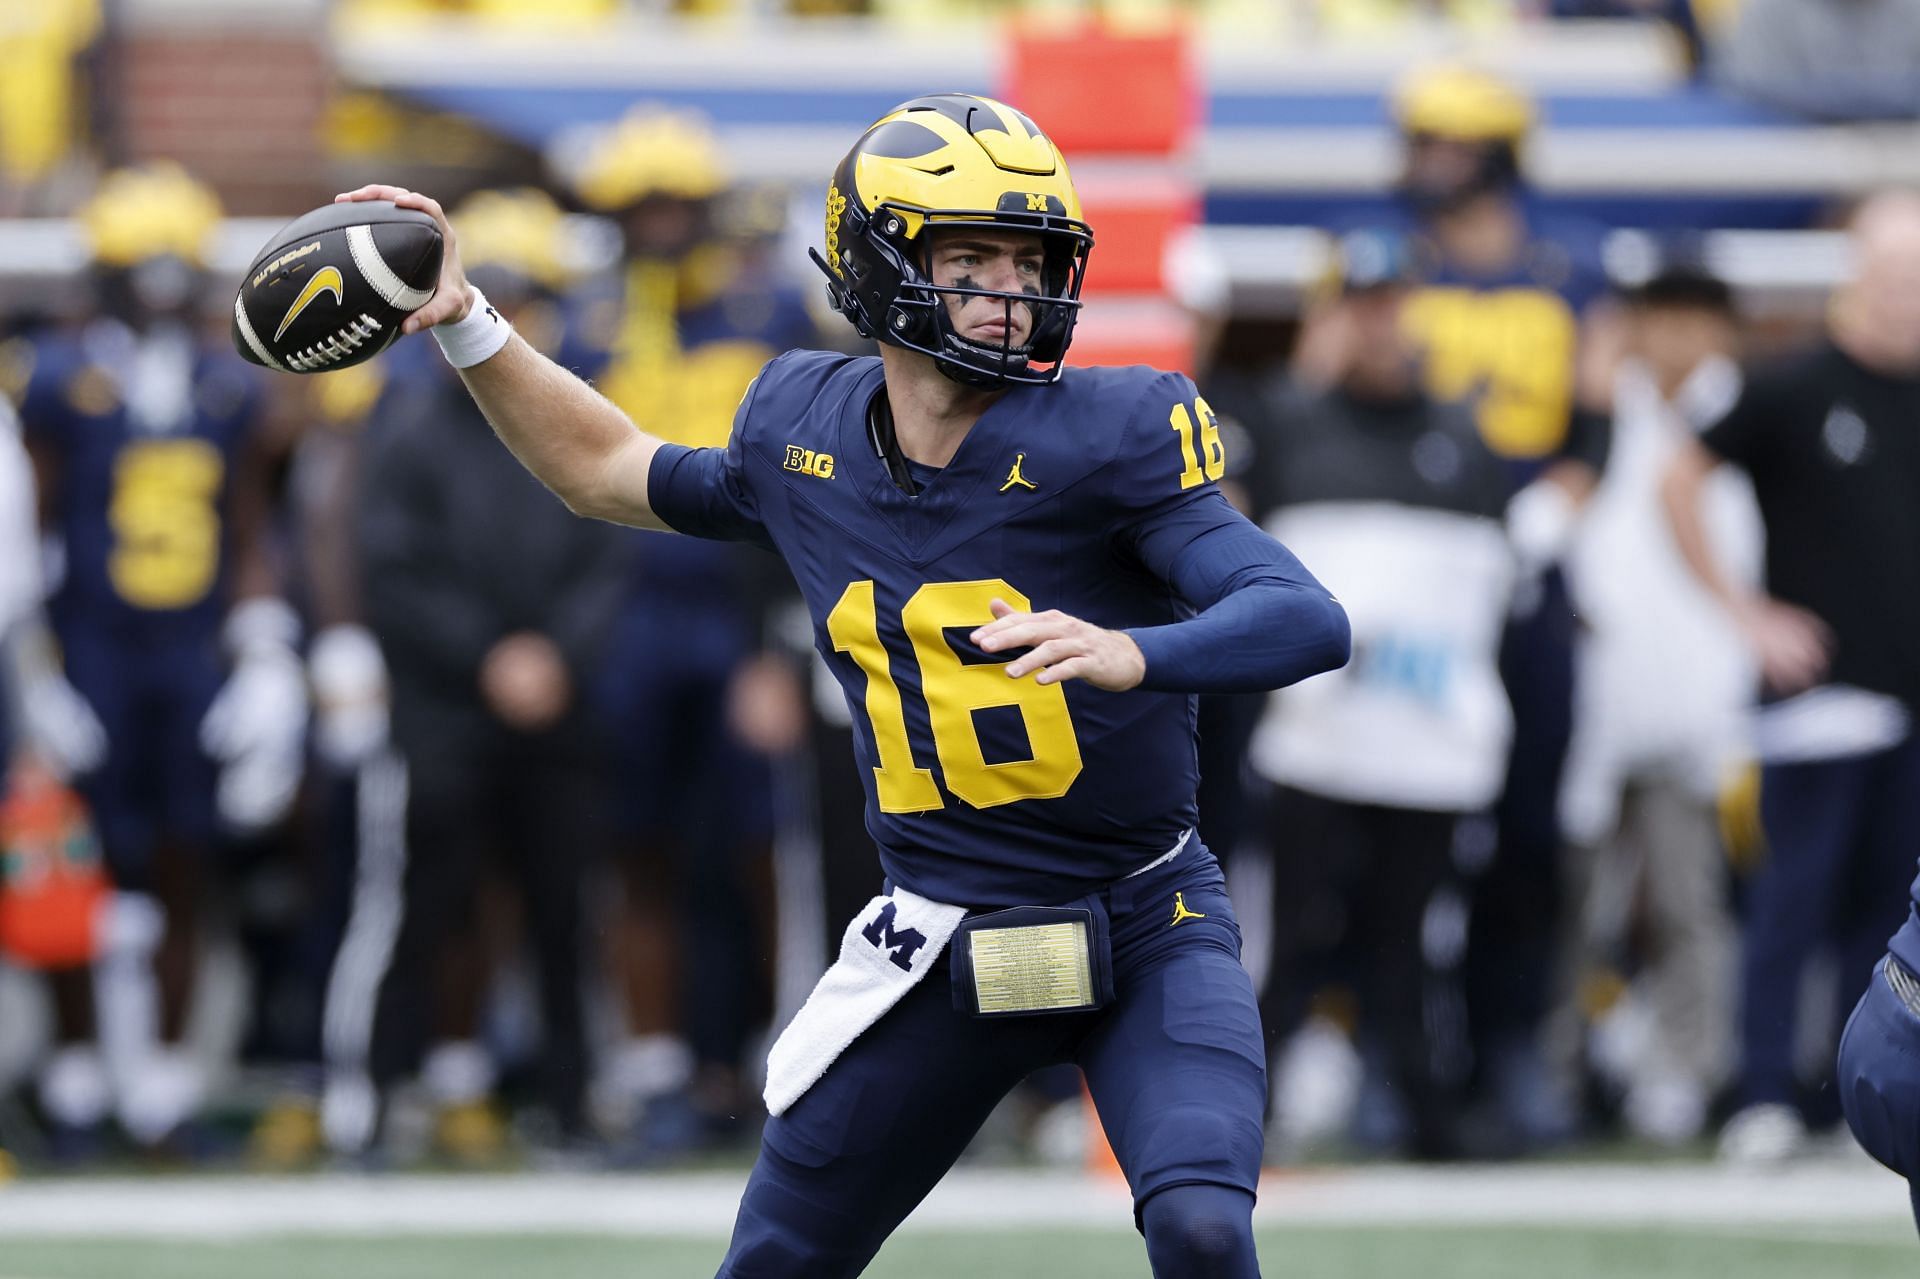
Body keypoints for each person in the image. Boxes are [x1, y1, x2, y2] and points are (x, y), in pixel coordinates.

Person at [336, 91, 1348, 1277]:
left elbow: (1300, 615)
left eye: (1029, 259)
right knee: (771, 1264)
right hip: (942, 930)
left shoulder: (1115, 432)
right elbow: (606, 466)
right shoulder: (799, 429)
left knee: (1200, 1224)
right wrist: (469, 325)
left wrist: (1141, 651)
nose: (1008, 290)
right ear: (877, 263)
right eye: (969, 257)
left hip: (1145, 920)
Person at [324, 187, 627, 1163]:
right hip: (447, 710)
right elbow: (394, 564)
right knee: (422, 906)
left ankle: (573, 1105)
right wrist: (491, 653)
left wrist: (553, 653)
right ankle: (377, 1096)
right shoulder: (409, 423)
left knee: (562, 911)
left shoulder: (577, 410)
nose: (512, 312)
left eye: (526, 295)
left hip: (554, 709)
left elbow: (614, 545)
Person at [19, 163, 306, 1155]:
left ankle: (163, 1090)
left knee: (186, 862)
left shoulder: (232, 385)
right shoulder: (55, 381)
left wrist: (267, 652)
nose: (160, 296)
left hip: (190, 651)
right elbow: (31, 536)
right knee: (76, 867)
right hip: (92, 644)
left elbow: (253, 529)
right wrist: (35, 672)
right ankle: (75, 1080)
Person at [554, 107, 817, 1157]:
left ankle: (761, 1059)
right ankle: (661, 1066)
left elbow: (810, 488)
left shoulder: (770, 313)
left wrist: (778, 643)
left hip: (733, 611)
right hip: (624, 614)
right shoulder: (589, 321)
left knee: (753, 849)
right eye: (642, 206)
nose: (661, 225)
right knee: (637, 847)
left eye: (675, 204)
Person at [1375, 65, 1615, 1147]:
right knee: (1393, 826)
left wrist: (1555, 510)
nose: (1425, 164)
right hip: (1416, 575)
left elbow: (1596, 422)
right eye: (1418, 142)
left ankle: (1510, 1040)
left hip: (1523, 577)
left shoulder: (1570, 265)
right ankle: (1394, 1050)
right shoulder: (1391, 262)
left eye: (1447, 144)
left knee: (1525, 827)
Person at [1241, 231, 1513, 1160]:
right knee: (1292, 927)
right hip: (1316, 730)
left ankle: (1424, 1111)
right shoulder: (1284, 421)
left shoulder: (1461, 435)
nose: (1377, 324)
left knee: (1411, 932)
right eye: (1359, 303)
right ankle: (1253, 1106)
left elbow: (1491, 578)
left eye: (1391, 301)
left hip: (1426, 733)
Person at [1664, 191, 1920, 1164]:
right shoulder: (1797, 385)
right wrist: (1744, 612)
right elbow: (1677, 478)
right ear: (1859, 278)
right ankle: (1765, 1086)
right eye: (1895, 276)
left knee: (1896, 914)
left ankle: (1862, 1098)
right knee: (1792, 899)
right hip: (1823, 704)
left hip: (1912, 696)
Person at [1552, 266, 1753, 1145]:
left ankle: (1685, 1071)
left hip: (1697, 697)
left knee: (1686, 899)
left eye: (1691, 318)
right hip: (1599, 691)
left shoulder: (1745, 412)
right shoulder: (1605, 411)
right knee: (1576, 899)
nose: (1672, 336)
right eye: (1657, 316)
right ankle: (1556, 1065)